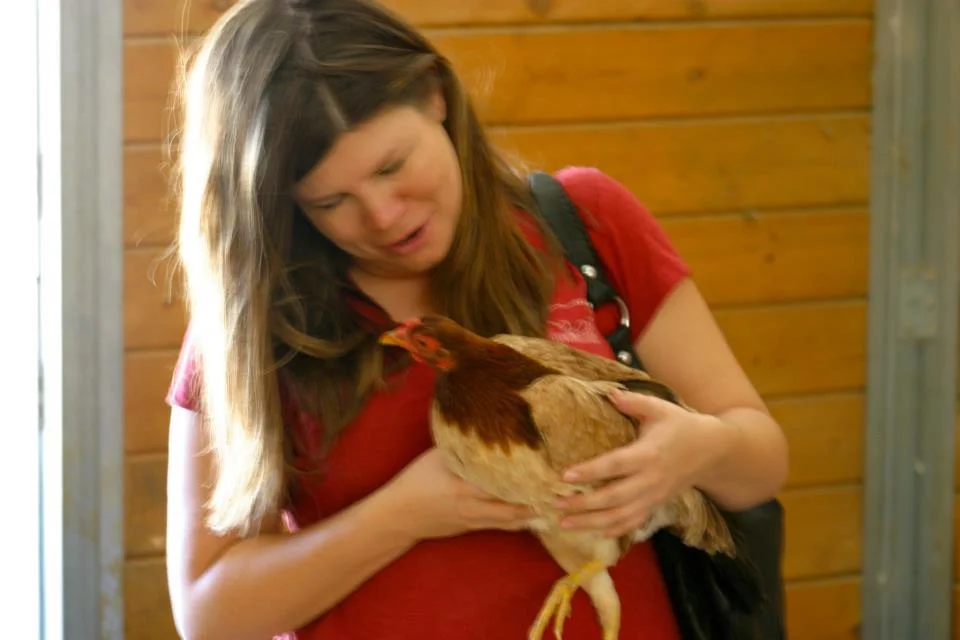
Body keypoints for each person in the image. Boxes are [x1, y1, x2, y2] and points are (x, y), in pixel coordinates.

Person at [163, 0, 790, 638]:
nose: (381, 215)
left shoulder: (583, 226)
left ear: (436, 95)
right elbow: (209, 616)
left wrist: (696, 451)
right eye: (332, 201)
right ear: (285, 204)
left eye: (391, 166)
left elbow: (761, 461)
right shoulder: (255, 323)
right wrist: (406, 512)